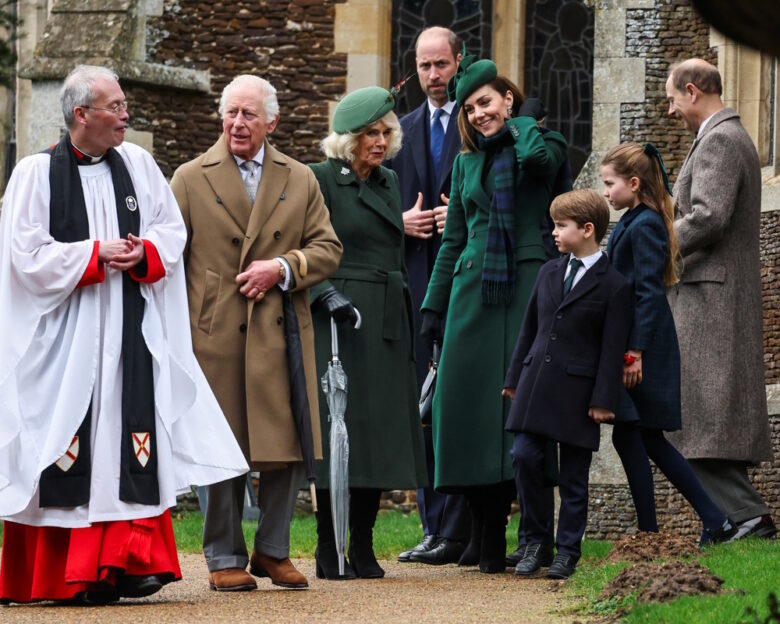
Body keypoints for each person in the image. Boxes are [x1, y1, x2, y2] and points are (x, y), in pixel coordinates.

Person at [0, 65, 248, 604]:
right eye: (113, 106)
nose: (125, 114)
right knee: (66, 439)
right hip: (65, 341)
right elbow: (23, 256)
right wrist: (94, 253)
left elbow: (170, 230)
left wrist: (144, 252)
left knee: (123, 437)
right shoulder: (35, 175)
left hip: (129, 333)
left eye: (124, 104)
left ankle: (124, 565)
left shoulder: (137, 163)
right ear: (80, 115)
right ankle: (62, 573)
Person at [170, 74, 343, 592]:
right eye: (230, 113)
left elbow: (328, 247)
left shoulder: (301, 177)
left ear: (272, 122)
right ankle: (224, 555)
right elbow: (168, 255)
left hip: (280, 327)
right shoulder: (189, 176)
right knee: (218, 443)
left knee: (286, 442)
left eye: (248, 115)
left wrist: (284, 267)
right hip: (215, 331)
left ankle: (272, 551)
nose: (237, 123)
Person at [420, 55, 568, 573]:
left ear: (506, 97)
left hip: (528, 288)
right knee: (464, 414)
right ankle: (483, 535)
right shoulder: (465, 164)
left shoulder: (543, 143)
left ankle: (534, 538)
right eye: (470, 107)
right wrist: (433, 306)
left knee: (521, 415)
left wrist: (518, 122)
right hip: (470, 296)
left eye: (486, 102)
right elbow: (451, 238)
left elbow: (540, 167)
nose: (478, 114)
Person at [309, 86, 428, 580]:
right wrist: (323, 292)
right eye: (370, 134)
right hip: (340, 316)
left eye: (386, 132)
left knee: (377, 433)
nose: (380, 141)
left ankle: (361, 544)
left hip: (386, 317)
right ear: (348, 139)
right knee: (341, 428)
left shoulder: (389, 182)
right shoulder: (318, 179)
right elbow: (303, 244)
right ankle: (327, 546)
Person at [601, 142, 736, 545]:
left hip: (645, 347)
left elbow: (646, 291)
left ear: (634, 183)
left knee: (637, 435)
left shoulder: (644, 225)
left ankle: (661, 530)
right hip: (637, 344)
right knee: (640, 437)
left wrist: (634, 352)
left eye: (610, 183)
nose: (606, 192)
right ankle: (711, 522)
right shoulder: (634, 219)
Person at [664, 59, 776, 539]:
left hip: (710, 302)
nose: (669, 111)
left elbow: (708, 216)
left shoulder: (722, 140)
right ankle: (729, 521)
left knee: (701, 423)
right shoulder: (724, 138)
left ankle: (747, 517)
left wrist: (658, 244)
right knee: (702, 423)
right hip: (709, 299)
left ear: (692, 91)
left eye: (671, 99)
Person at [503, 189, 631, 580]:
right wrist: (513, 379)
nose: (554, 232)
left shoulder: (615, 286)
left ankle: (567, 551)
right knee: (525, 457)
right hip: (536, 386)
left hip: (580, 395)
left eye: (561, 226)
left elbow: (612, 350)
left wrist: (603, 399)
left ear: (587, 229)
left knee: (574, 477)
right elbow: (529, 329)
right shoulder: (549, 271)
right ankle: (535, 541)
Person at [385, 25, 472, 567]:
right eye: (424, 67)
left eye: (441, 65)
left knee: (460, 408)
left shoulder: (480, 123)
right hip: (416, 287)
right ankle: (433, 526)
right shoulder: (399, 130)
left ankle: (464, 527)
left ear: (458, 62)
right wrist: (402, 221)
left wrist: (455, 214)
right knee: (423, 411)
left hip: (467, 284)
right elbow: (370, 206)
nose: (433, 76)